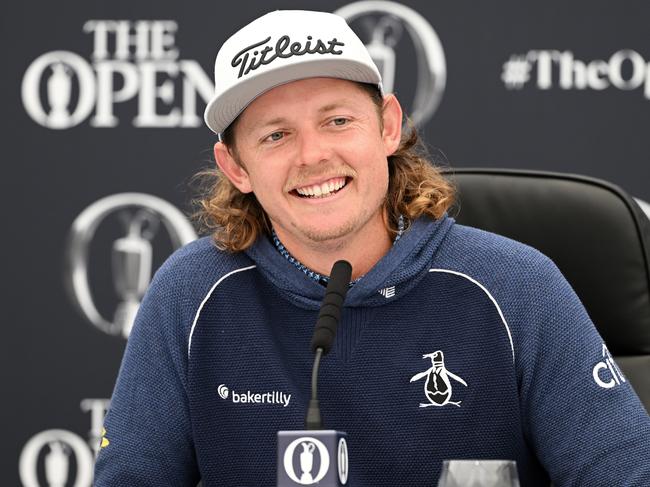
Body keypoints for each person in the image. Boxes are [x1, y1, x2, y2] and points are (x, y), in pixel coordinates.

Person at [94, 9, 650, 487]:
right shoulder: (189, 293)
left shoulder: (518, 286)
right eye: (275, 135)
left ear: (387, 126)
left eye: (337, 120)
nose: (312, 156)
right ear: (236, 166)